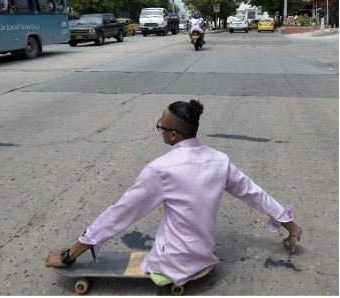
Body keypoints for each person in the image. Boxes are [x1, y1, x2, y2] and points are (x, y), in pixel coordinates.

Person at [45, 100, 302, 287]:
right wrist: (290, 226)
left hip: (171, 263)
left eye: (161, 127)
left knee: (157, 241)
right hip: (204, 254)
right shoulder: (220, 161)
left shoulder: (160, 169)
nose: (161, 130)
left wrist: (71, 255)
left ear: (173, 135)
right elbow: (253, 193)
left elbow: (121, 213)